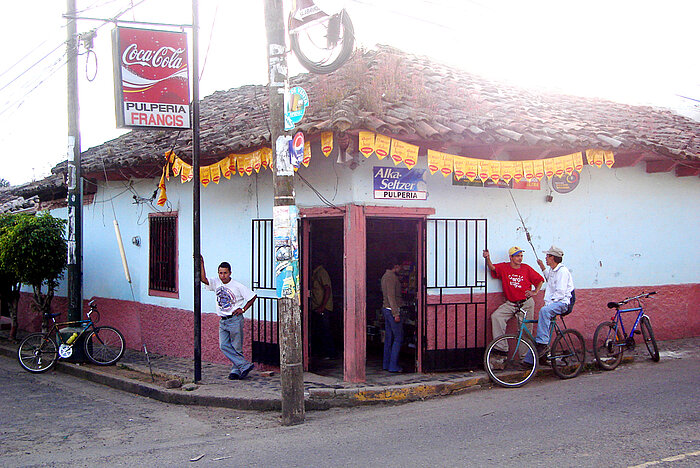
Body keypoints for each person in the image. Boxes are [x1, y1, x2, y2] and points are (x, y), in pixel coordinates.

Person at [200, 256, 257, 380]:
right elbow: (203, 279)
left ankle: (236, 370)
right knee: (224, 345)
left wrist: (243, 309)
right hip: (223, 320)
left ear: (230, 273)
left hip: (235, 319)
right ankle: (244, 365)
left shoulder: (237, 285)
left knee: (236, 347)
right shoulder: (216, 282)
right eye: (220, 273)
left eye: (225, 273)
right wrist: (201, 263)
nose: (223, 275)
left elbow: (252, 296)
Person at [483, 247, 544, 355]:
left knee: (525, 330)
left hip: (526, 303)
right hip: (511, 303)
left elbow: (540, 280)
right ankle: (501, 349)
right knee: (496, 317)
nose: (520, 258)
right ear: (511, 257)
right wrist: (488, 258)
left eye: (521, 256)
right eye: (517, 256)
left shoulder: (526, 268)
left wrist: (535, 292)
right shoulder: (504, 267)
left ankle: (525, 358)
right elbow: (493, 268)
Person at [534, 246, 574, 357]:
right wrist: (542, 267)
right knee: (541, 326)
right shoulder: (553, 270)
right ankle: (530, 361)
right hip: (554, 303)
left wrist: (549, 305)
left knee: (544, 311)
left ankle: (543, 344)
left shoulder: (562, 271)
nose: (546, 258)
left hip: (562, 303)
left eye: (548, 256)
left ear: (553, 258)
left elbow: (560, 293)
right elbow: (550, 279)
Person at [310, 250, 337, 359]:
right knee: (319, 331)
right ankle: (322, 352)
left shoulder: (322, 272)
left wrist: (322, 306)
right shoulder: (314, 272)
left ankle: (330, 353)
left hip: (323, 307)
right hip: (316, 306)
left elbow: (327, 289)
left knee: (325, 331)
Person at [381, 258, 405, 372]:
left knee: (389, 338)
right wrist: (396, 313)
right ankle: (393, 365)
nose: (401, 269)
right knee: (398, 338)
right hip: (391, 310)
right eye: (400, 267)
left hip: (386, 309)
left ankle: (386, 364)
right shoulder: (391, 277)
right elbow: (391, 296)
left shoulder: (385, 276)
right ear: (395, 266)